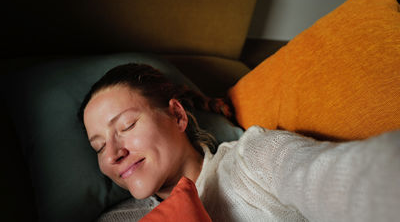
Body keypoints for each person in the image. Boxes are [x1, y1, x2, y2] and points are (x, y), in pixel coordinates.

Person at [79, 63, 400, 222]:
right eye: (98, 147)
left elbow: (346, 179)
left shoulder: (254, 160)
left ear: (177, 116)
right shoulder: (118, 220)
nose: (114, 154)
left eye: (128, 125)